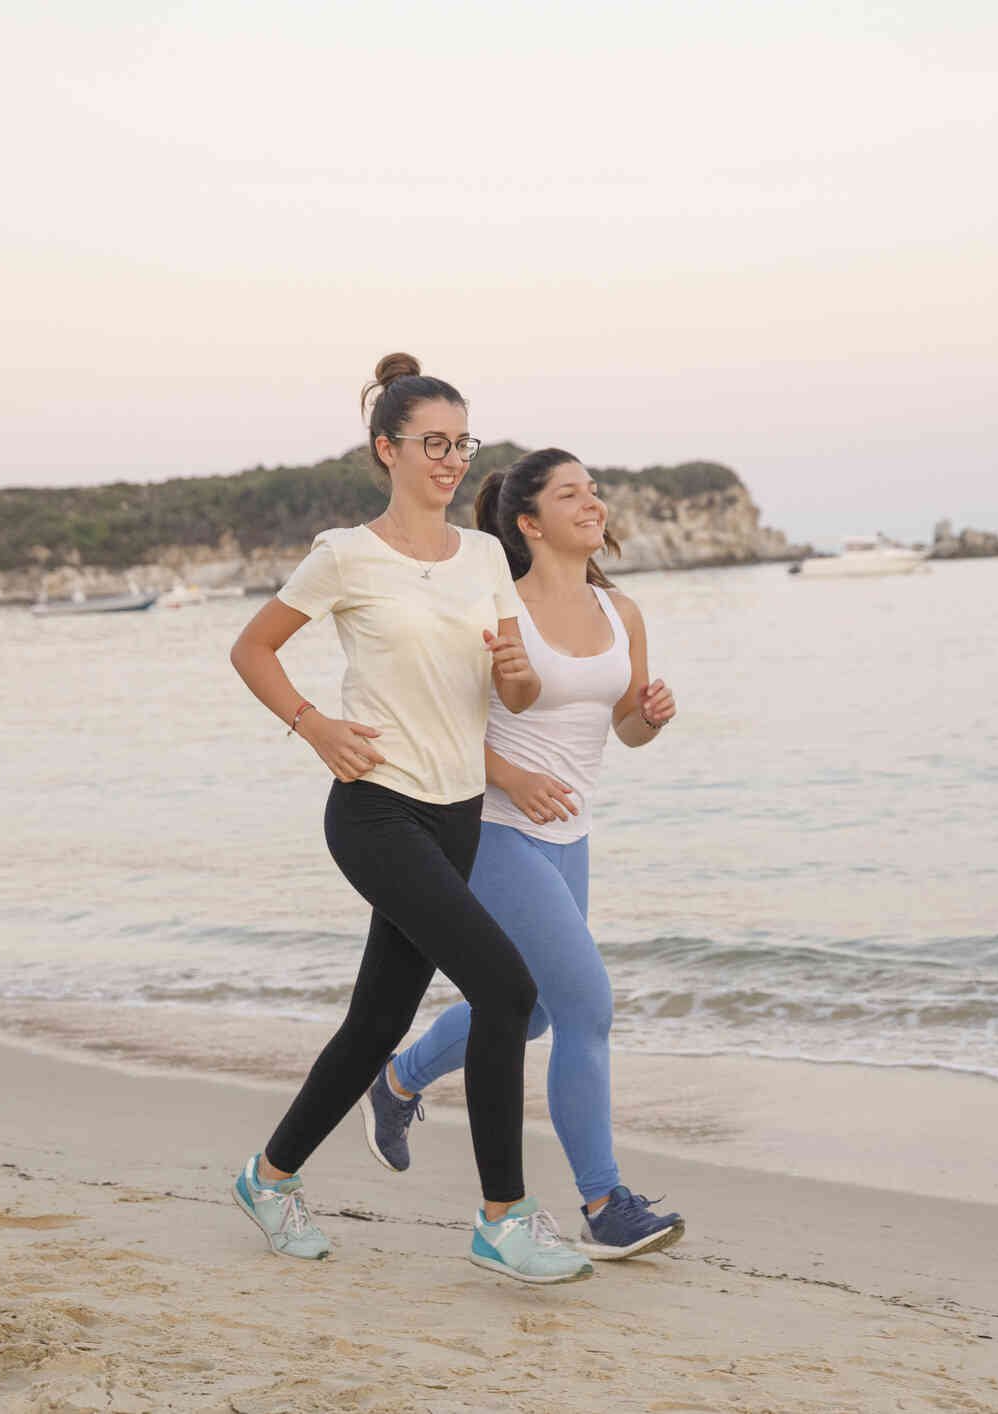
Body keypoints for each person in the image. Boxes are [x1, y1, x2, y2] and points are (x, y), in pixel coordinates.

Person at [224, 355, 592, 1285]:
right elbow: (253, 648)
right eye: (433, 442)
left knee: (377, 1018)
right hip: (375, 812)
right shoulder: (345, 554)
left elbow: (513, 678)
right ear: (386, 450)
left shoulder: (478, 559)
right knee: (508, 991)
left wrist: (515, 674)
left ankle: (267, 1179)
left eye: (462, 442)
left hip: (457, 814)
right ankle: (502, 1220)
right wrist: (314, 728)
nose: (451, 459)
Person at [360, 448, 686, 1259]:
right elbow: (441, 722)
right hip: (491, 827)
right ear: (530, 522)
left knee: (535, 1010)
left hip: (569, 834)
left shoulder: (624, 615)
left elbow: (626, 731)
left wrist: (651, 713)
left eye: (597, 490)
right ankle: (604, 1202)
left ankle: (399, 1080)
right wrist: (511, 775)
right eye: (572, 493)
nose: (595, 503)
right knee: (585, 1007)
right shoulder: (493, 606)